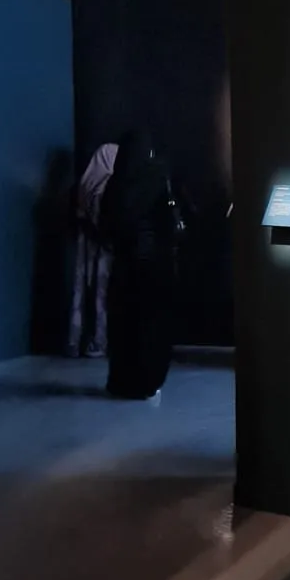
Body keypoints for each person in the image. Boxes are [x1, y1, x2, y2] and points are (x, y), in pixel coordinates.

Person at [101, 130, 177, 400]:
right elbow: (167, 222)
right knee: (151, 328)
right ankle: (147, 380)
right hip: (154, 265)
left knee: (124, 328)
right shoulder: (156, 176)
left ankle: (122, 381)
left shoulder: (116, 184)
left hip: (124, 266)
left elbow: (106, 225)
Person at [67, 143, 118, 359]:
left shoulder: (85, 185)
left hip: (84, 250)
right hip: (104, 250)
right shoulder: (108, 186)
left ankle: (76, 340)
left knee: (82, 293)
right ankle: (99, 341)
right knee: (101, 295)